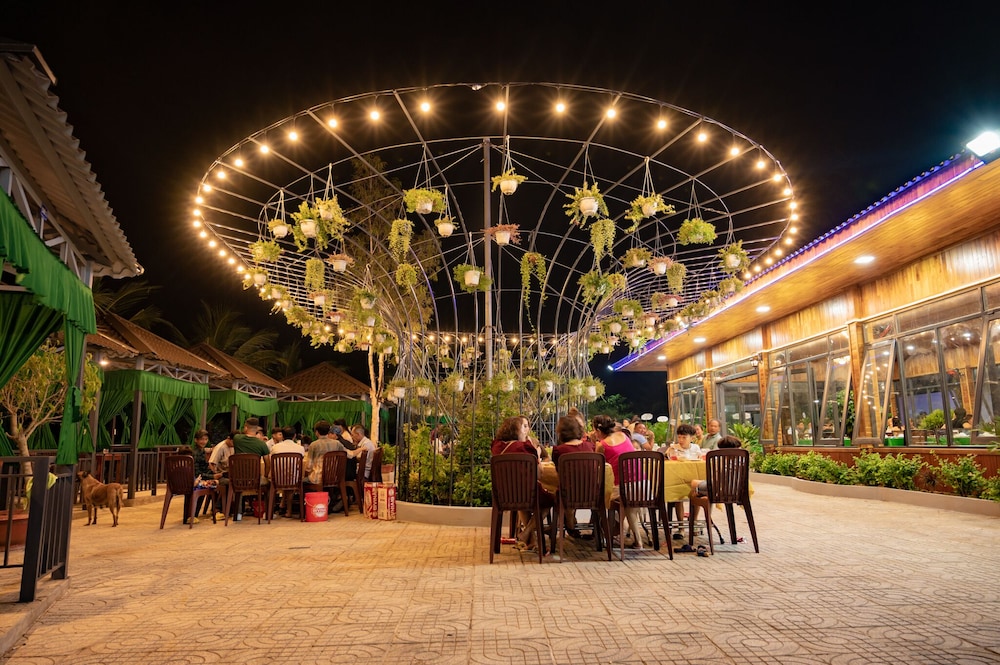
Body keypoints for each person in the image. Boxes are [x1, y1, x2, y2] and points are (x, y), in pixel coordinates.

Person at [593, 414, 645, 549]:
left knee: (604, 498)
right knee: (627, 504)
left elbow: (598, 468)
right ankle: (629, 537)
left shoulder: (602, 445)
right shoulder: (623, 435)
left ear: (598, 431)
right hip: (644, 484)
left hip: (624, 487)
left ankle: (607, 534)